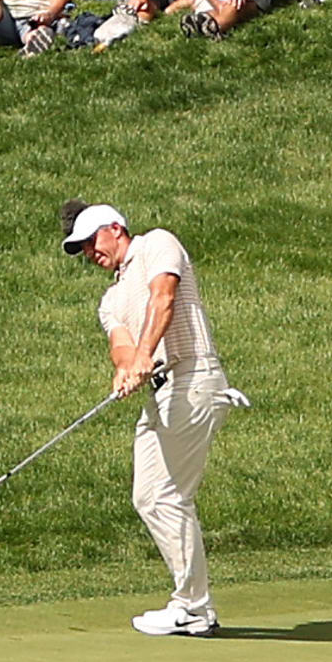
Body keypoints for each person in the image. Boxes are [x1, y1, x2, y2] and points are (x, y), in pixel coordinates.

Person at [65, 202, 238, 636]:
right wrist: (127, 367)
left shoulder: (158, 243)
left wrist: (145, 355)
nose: (89, 252)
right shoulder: (111, 298)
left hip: (193, 378)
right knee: (148, 497)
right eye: (81, 248)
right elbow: (120, 345)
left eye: (91, 241)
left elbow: (164, 297)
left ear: (115, 228)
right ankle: (194, 605)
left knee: (167, 496)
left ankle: (194, 607)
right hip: (159, 394)